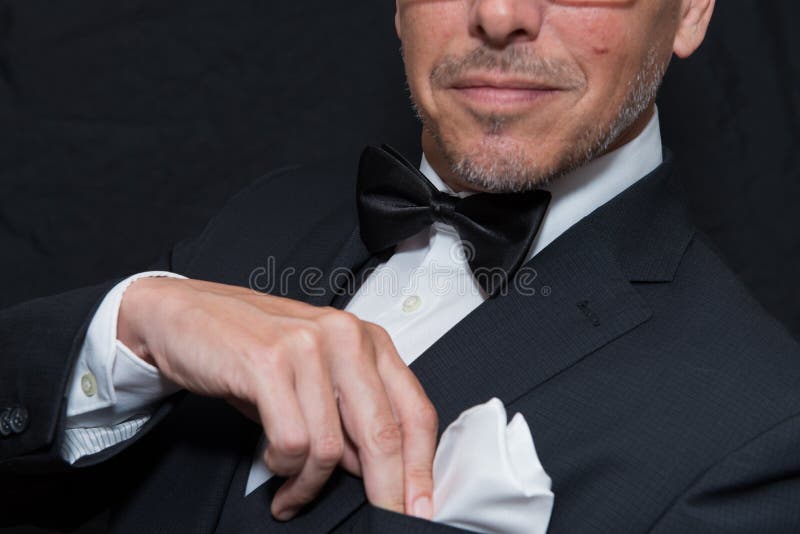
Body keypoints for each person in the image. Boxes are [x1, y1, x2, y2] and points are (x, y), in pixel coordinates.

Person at [2, 0, 799, 532]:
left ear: (691, 8)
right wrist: (133, 322)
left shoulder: (761, 431)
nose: (498, 14)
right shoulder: (271, 212)